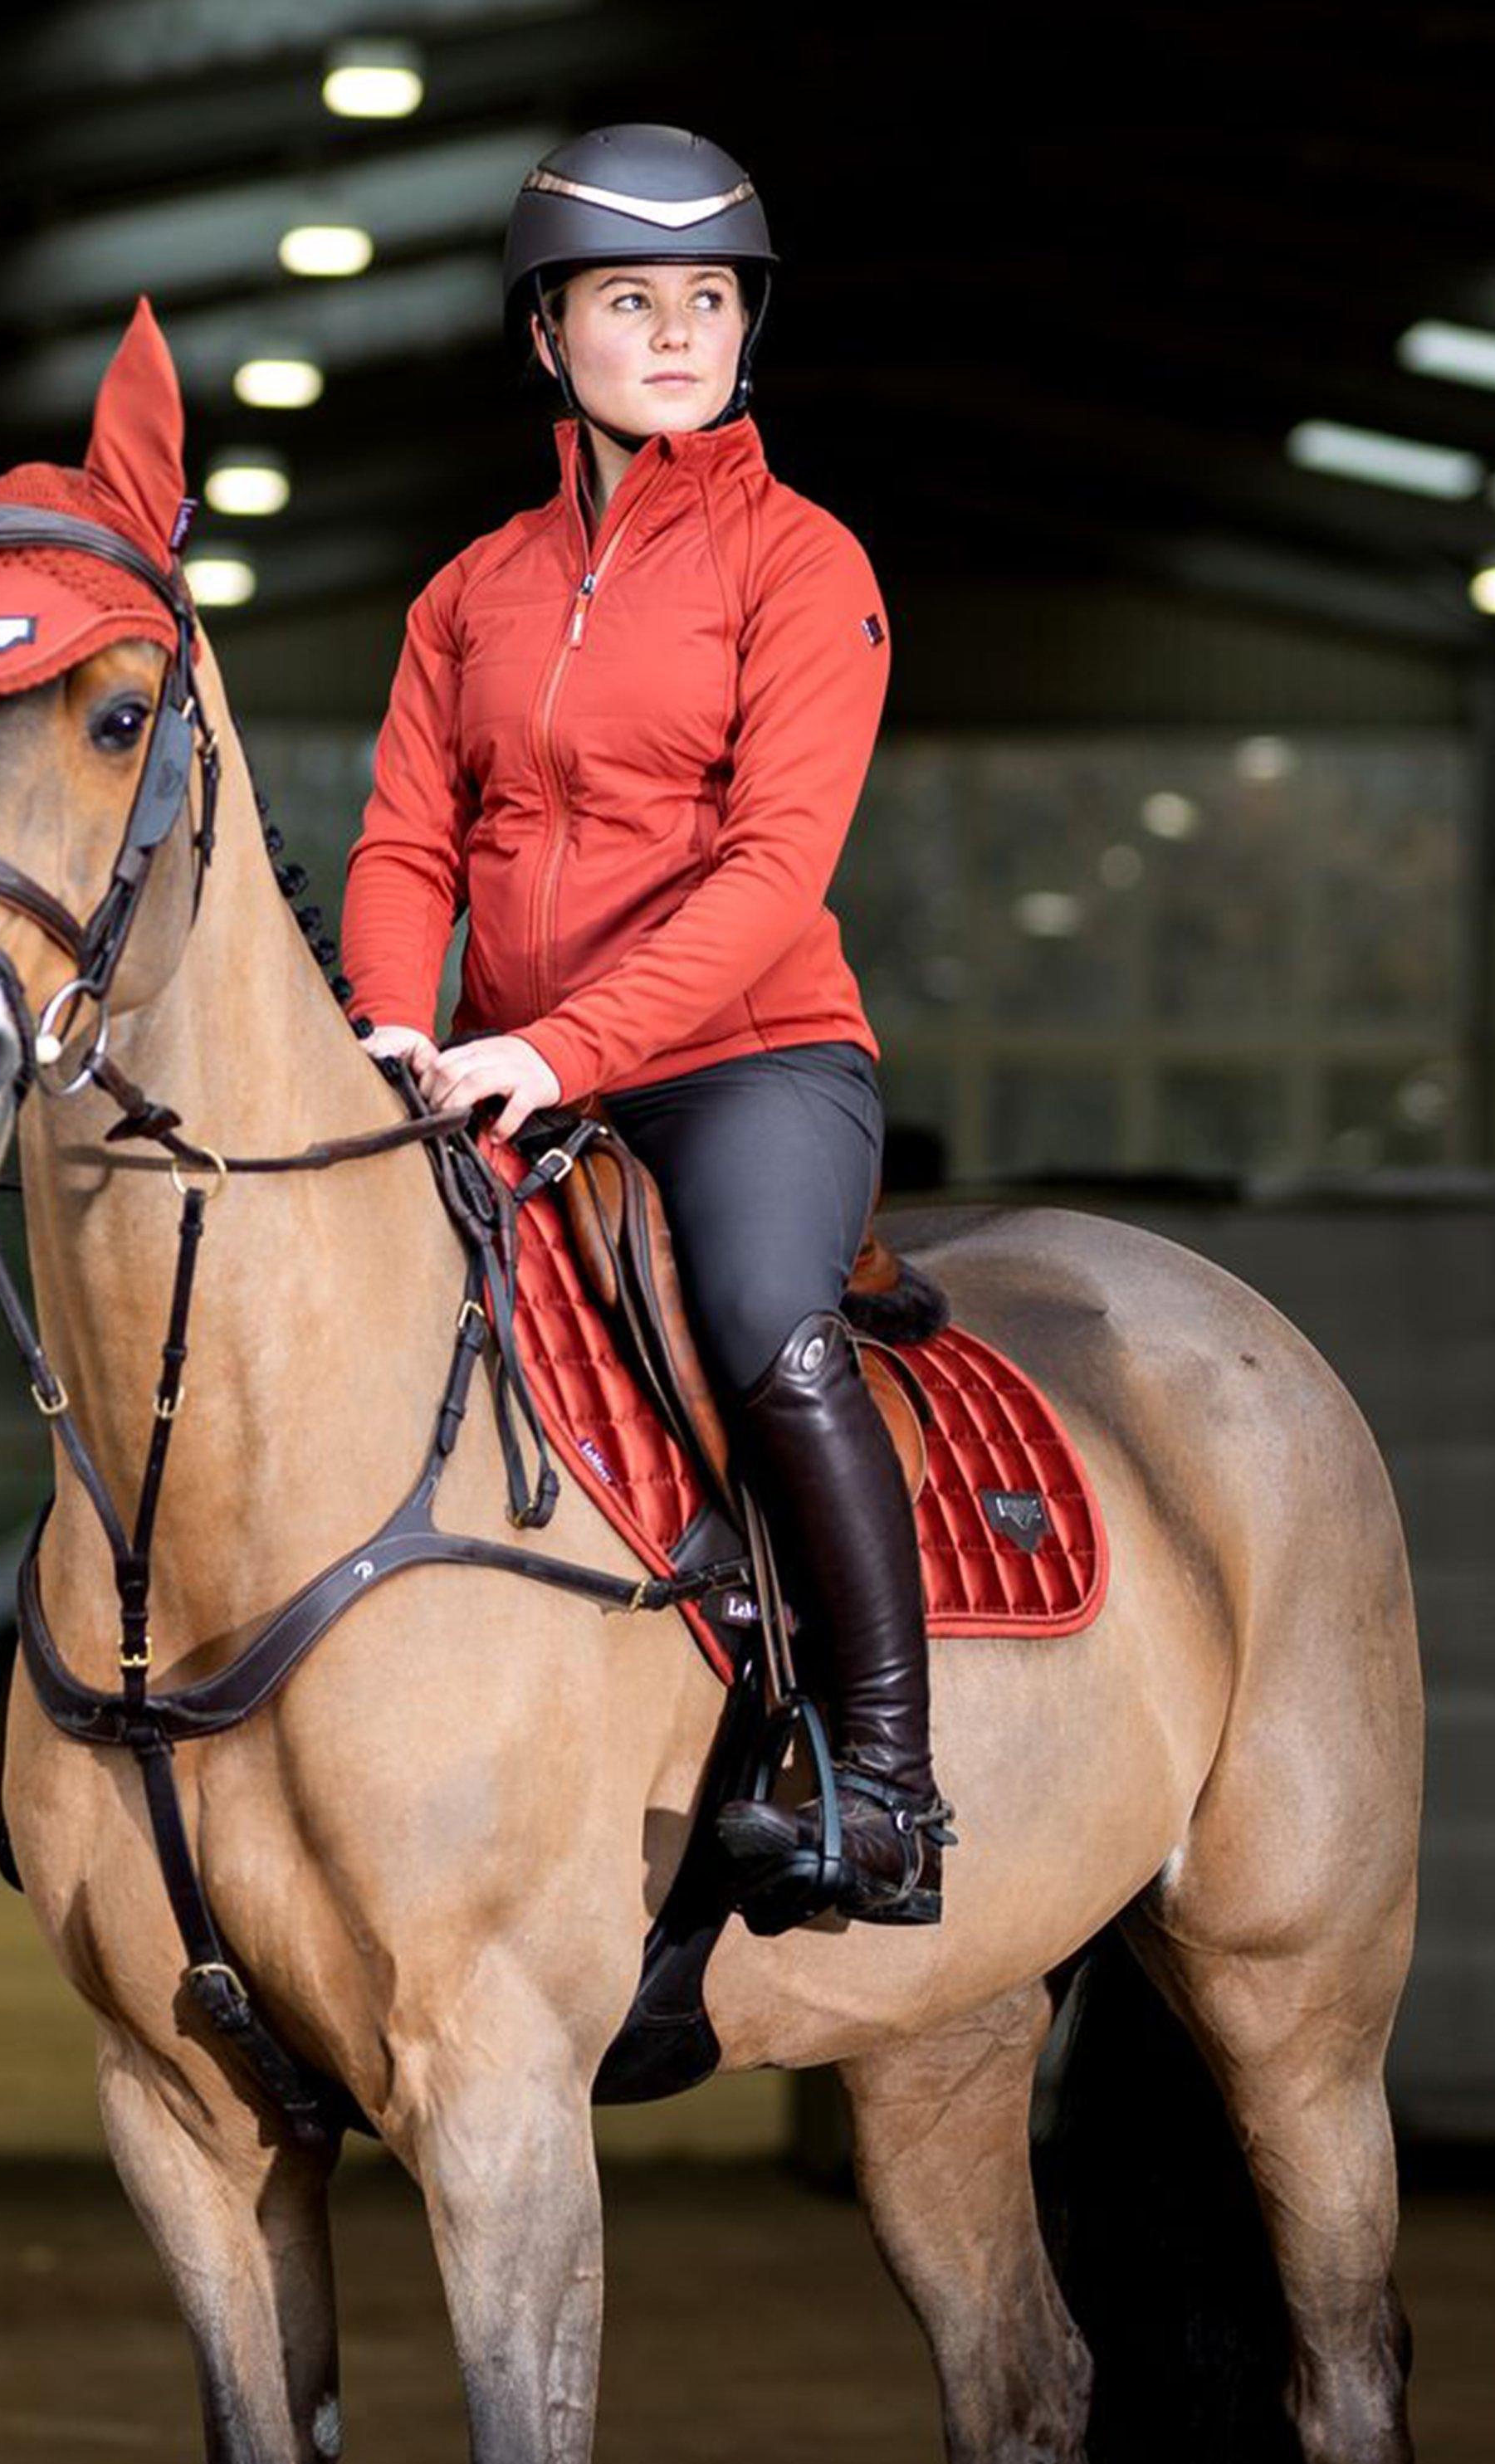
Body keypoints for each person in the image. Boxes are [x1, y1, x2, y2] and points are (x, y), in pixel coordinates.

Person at [340, 123, 953, 1928]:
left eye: (706, 298)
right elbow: (402, 838)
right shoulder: (466, 591)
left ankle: (889, 1783)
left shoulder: (803, 562)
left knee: (768, 1328)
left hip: (747, 1061)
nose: (675, 331)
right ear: (549, 336)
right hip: (491, 1068)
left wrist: (557, 1049)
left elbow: (771, 871)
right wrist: (393, 1027)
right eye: (628, 300)